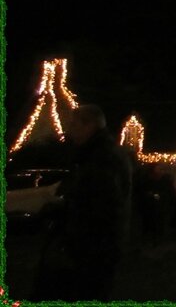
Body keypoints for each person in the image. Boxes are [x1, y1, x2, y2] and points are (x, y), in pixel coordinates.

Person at [33, 104, 132, 301]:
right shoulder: (97, 155)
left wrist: (67, 212)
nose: (70, 131)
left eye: (74, 125)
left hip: (93, 249)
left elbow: (101, 204)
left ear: (89, 126)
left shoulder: (102, 158)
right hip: (95, 247)